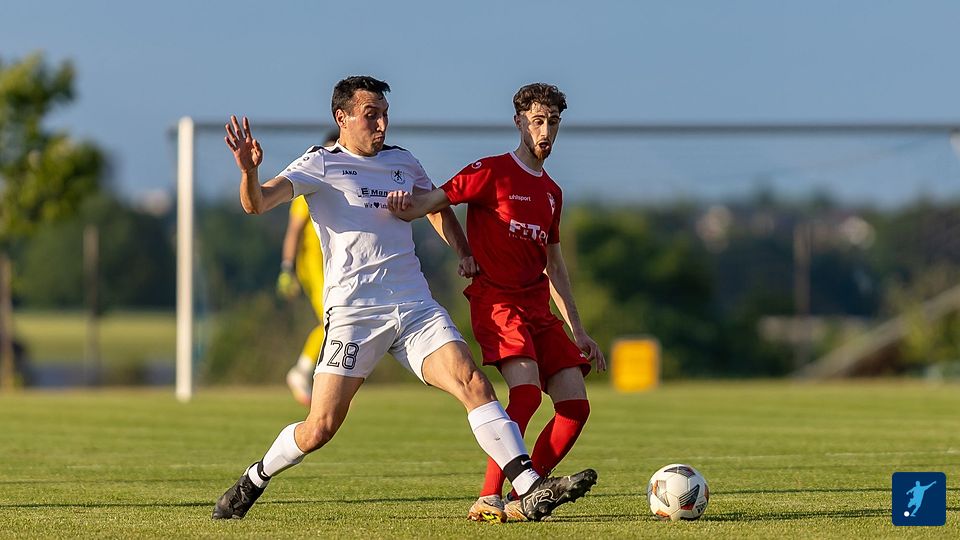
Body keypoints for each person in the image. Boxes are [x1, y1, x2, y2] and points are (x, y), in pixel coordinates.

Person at [211, 76, 597, 522]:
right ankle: (255, 477)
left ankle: (527, 487)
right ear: (342, 118)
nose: (381, 125)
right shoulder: (321, 163)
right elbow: (257, 203)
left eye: (384, 115)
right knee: (320, 427)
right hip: (355, 314)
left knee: (473, 383)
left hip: (415, 306)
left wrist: (464, 252)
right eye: (370, 115)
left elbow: (436, 207)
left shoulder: (403, 161)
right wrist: (249, 172)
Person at [387, 82, 607, 522]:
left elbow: (555, 266)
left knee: (575, 407)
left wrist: (579, 330)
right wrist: (398, 202)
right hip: (498, 304)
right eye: (537, 121)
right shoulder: (490, 171)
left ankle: (527, 495)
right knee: (525, 395)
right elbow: (432, 203)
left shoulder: (552, 193)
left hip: (538, 309)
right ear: (519, 122)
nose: (546, 131)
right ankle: (489, 497)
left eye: (553, 122)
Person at [277, 130, 338, 407]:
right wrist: (287, 268)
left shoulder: (348, 182)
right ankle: (302, 371)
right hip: (315, 265)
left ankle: (324, 378)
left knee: (344, 322)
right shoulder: (312, 181)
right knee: (332, 321)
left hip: (339, 265)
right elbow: (295, 230)